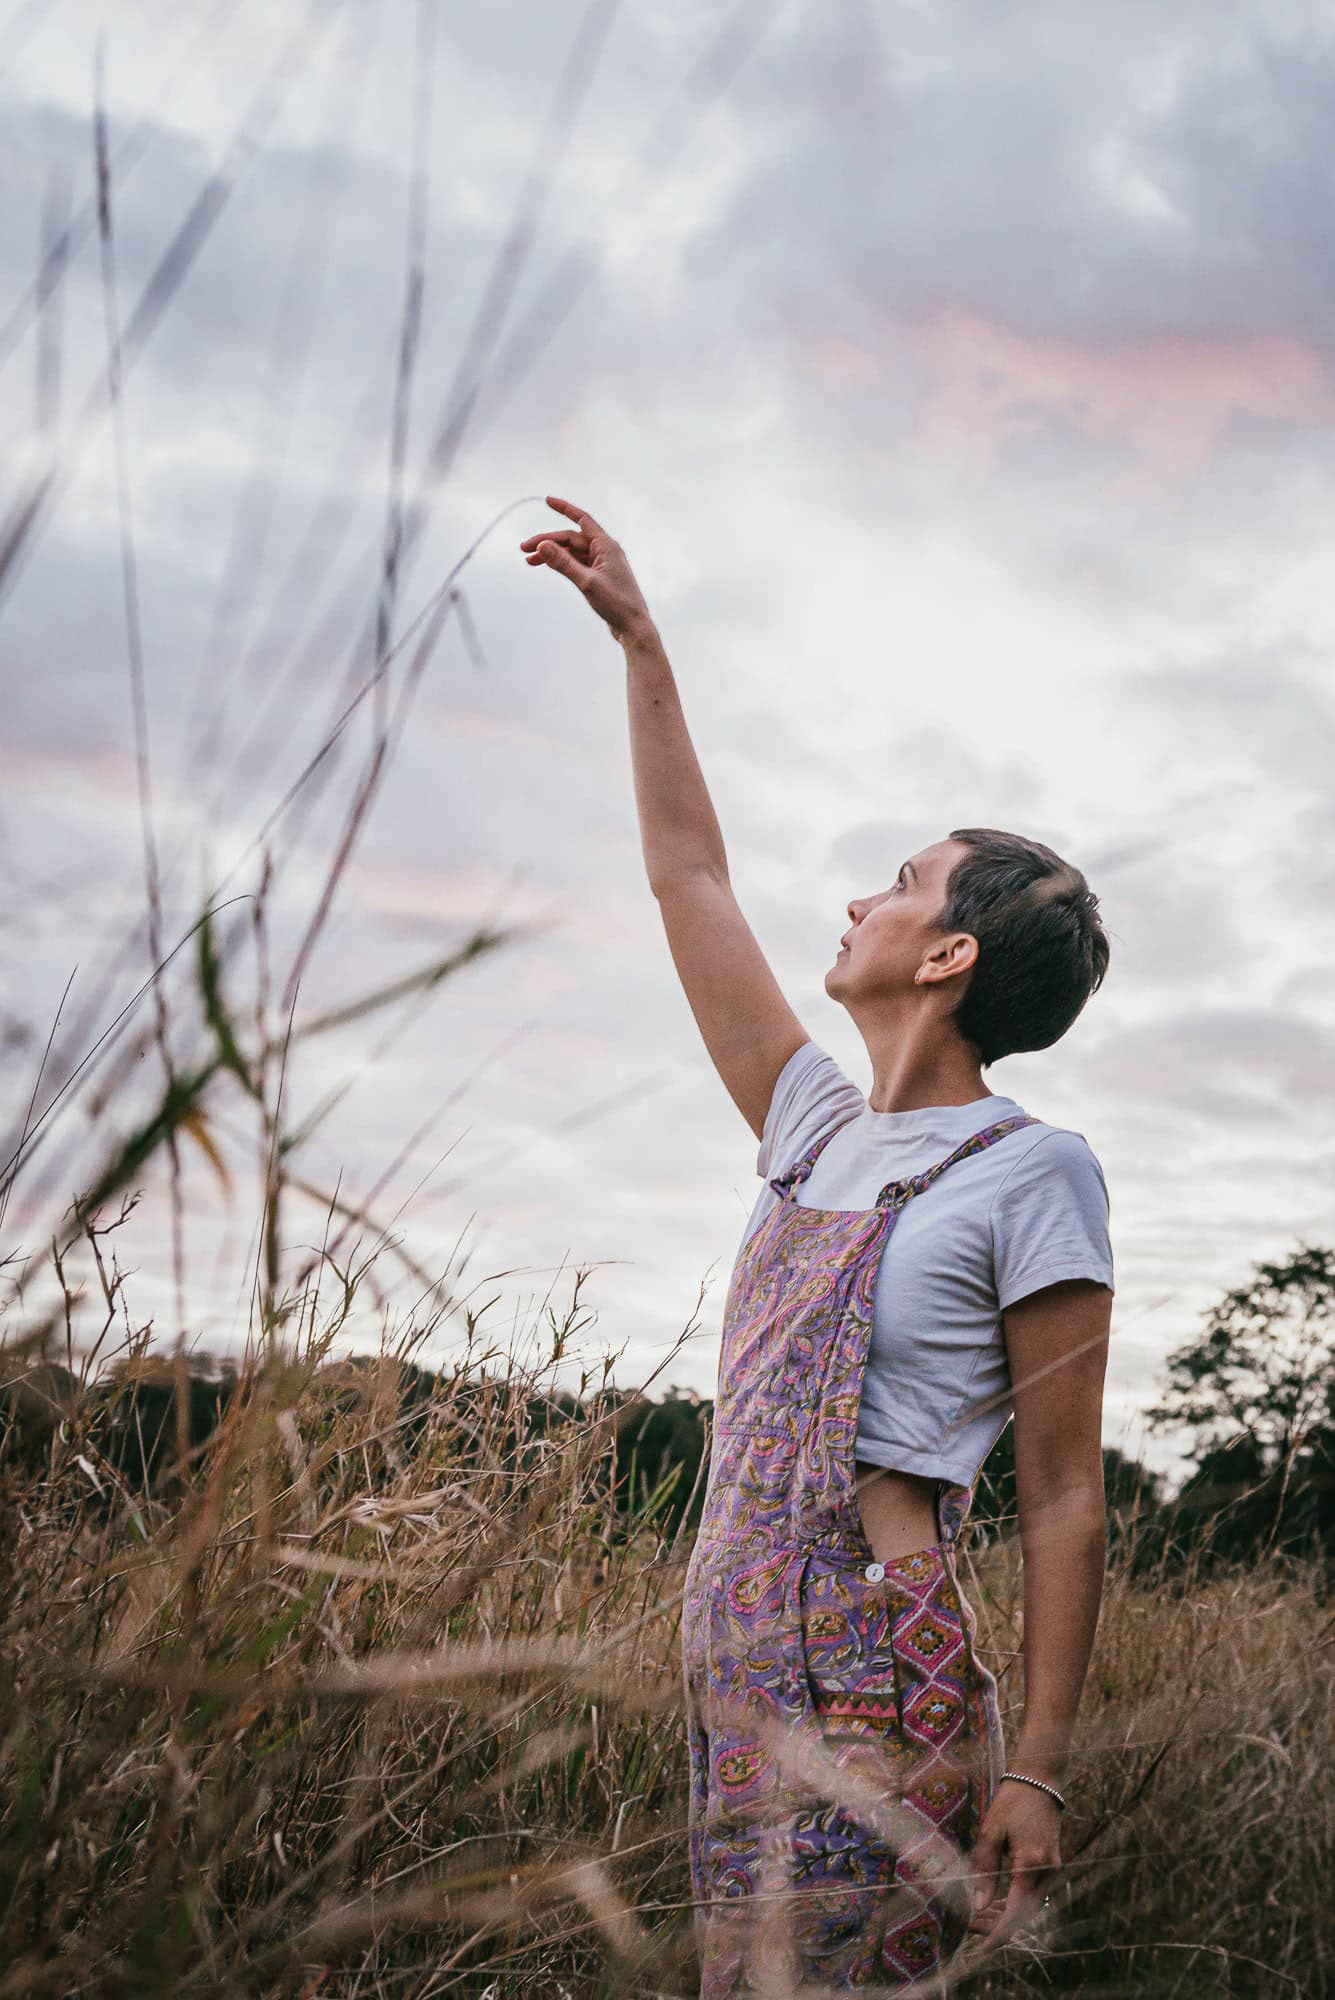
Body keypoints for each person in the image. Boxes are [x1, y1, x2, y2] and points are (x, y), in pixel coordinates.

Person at [519, 497, 1115, 1995]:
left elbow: (1062, 1496)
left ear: (949, 955)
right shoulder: (811, 1127)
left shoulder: (1033, 1172)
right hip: (731, 1651)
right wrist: (641, 644)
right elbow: (689, 879)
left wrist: (1038, 1770)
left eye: (899, 885)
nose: (857, 902)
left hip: (875, 1663)